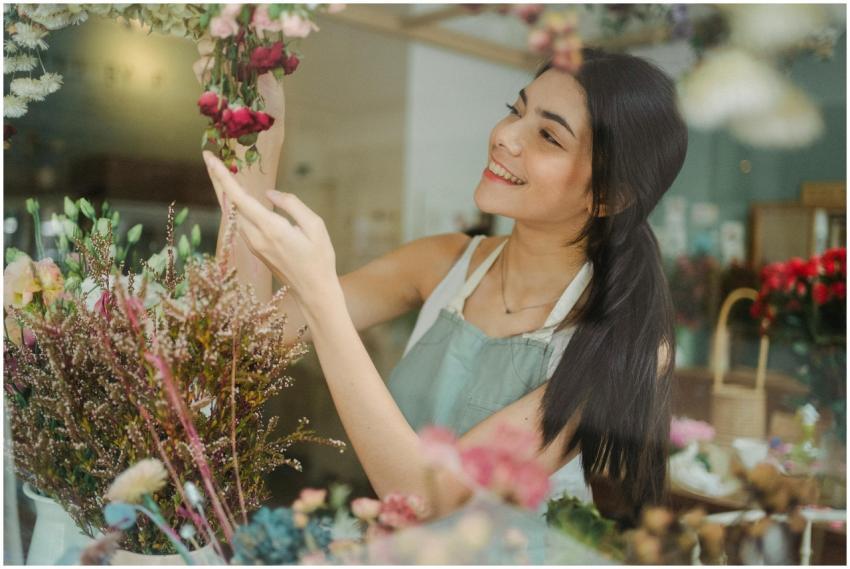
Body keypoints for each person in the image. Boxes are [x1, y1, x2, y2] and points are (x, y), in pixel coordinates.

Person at [200, 47, 688, 522]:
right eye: (514, 111)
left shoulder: (623, 343)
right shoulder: (443, 262)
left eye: (548, 137)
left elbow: (423, 496)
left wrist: (321, 295)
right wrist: (260, 143)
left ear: (608, 195)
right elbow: (245, 337)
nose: (505, 137)